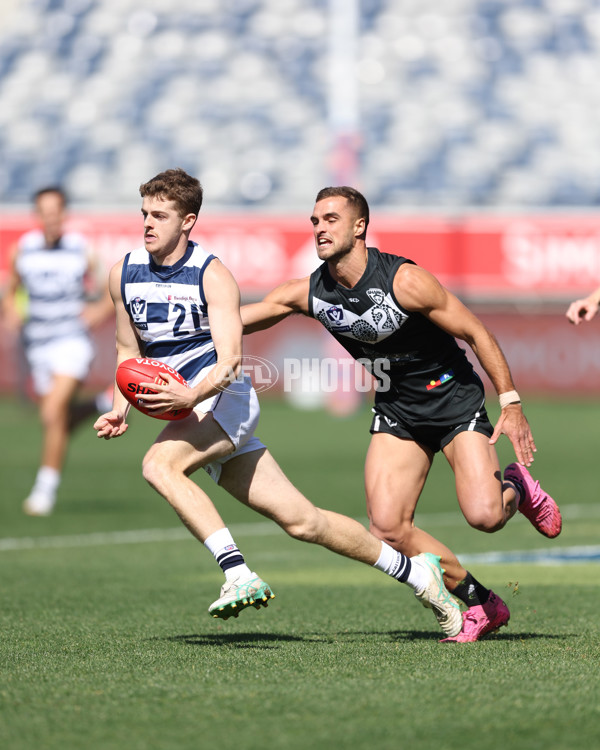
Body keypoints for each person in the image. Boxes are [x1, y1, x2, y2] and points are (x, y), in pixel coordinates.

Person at [93, 168, 462, 636]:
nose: (147, 223)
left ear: (187, 222)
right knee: (304, 522)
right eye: (144, 213)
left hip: (225, 401)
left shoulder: (212, 274)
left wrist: (190, 393)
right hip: (192, 413)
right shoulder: (122, 273)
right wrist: (119, 406)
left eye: (160, 215)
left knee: (159, 465)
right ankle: (419, 576)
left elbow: (229, 360)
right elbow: (129, 353)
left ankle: (237, 573)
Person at [241, 186, 563, 642]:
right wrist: (180, 329)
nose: (319, 228)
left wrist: (510, 400)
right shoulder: (311, 292)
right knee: (388, 528)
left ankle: (517, 488)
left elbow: (476, 331)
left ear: (360, 227)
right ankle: (480, 602)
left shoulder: (404, 280)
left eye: (331, 219)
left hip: (453, 402)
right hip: (397, 410)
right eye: (315, 220)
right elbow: (242, 317)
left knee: (486, 517)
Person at [2, 186, 113, 516]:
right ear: (37, 216)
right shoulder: (23, 250)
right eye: (44, 212)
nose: (50, 219)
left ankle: (44, 491)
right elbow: (11, 291)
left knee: (52, 415)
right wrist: (10, 311)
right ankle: (99, 403)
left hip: (71, 341)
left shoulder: (82, 250)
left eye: (56, 212)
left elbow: (113, 286)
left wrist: (98, 311)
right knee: (54, 417)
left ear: (64, 214)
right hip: (38, 345)